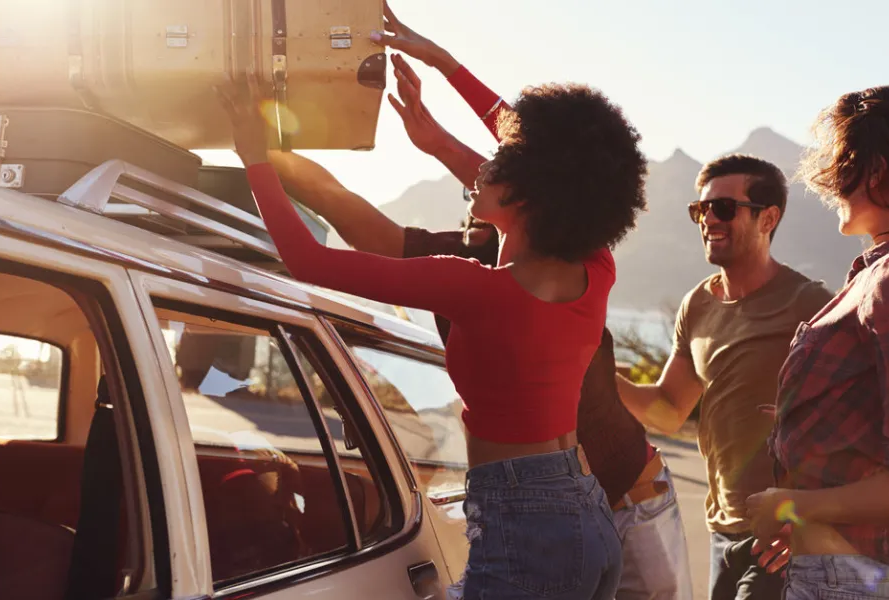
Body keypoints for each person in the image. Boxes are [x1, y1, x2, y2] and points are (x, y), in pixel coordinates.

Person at [266, 7, 695, 598]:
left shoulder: (474, 287)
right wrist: (438, 66)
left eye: (496, 165)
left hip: (533, 518)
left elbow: (308, 262)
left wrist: (252, 155)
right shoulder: (596, 267)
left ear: (522, 193)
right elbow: (542, 161)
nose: (476, 167)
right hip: (586, 505)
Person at [744, 85, 889, 600]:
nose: (831, 181)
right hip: (846, 573)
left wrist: (789, 504)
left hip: (848, 584)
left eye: (841, 161)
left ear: (874, 170)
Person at [614, 154, 834, 600]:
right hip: (724, 529)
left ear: (768, 218)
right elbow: (670, 410)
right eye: (701, 210)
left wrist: (803, 521)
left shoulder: (810, 304)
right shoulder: (697, 305)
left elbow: (849, 425)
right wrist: (592, 370)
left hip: (785, 538)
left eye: (725, 208)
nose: (708, 219)